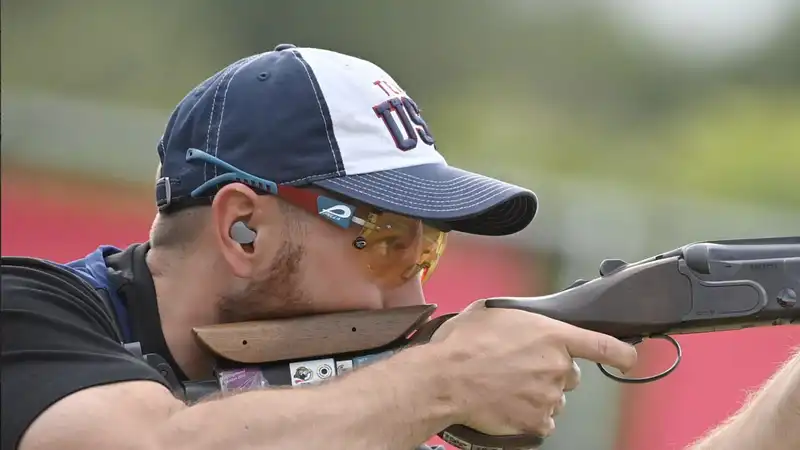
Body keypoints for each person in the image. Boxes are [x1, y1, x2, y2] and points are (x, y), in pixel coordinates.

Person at [0, 43, 637, 450]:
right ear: (242, 229)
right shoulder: (24, 313)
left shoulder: (337, 416)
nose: (415, 295)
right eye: (386, 243)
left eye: (428, 251)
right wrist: (442, 383)